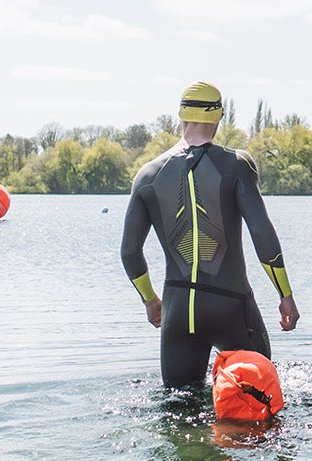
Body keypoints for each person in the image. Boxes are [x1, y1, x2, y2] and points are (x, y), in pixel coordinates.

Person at [121, 81, 300, 389]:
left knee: (180, 414)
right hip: (230, 305)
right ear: (220, 117)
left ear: (180, 115)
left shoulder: (147, 174)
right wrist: (285, 295)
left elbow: (129, 252)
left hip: (178, 313)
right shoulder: (237, 165)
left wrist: (150, 300)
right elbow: (261, 234)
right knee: (259, 400)